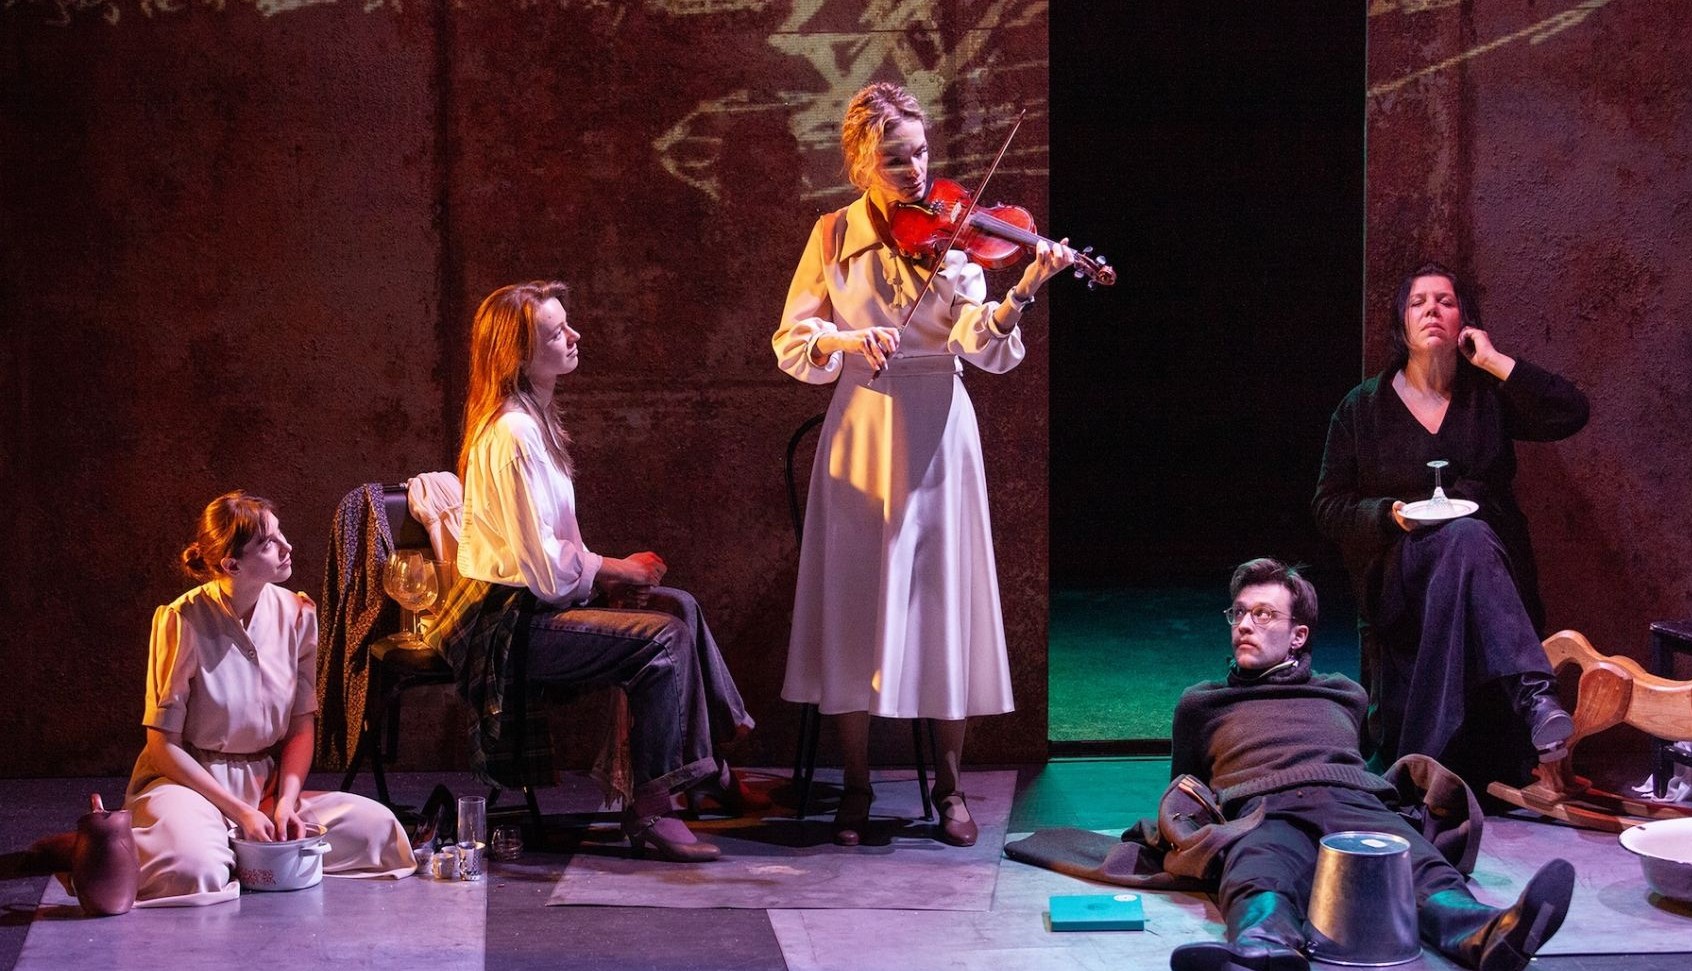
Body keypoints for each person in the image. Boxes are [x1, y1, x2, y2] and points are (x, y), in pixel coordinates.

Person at [772, 81, 1074, 847]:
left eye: (921, 154)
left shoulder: (956, 237)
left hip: (940, 428)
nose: (916, 171)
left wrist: (1022, 290)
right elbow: (792, 341)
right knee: (852, 603)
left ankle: (949, 787)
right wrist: (847, 340)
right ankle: (857, 785)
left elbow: (980, 342)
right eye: (897, 159)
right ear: (860, 164)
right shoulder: (833, 235)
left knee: (942, 602)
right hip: (861, 430)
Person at [432, 280, 754, 864]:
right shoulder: (513, 434)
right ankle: (654, 806)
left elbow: (555, 552)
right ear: (518, 355)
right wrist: (614, 569)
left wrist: (610, 576)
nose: (575, 335)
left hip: (536, 603)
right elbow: (543, 568)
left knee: (678, 605)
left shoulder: (537, 419)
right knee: (663, 640)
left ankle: (710, 765)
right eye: (557, 332)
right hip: (509, 626)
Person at [1167, 558, 1573, 971]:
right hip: (1262, 808)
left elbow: (1354, 757)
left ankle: (1486, 934)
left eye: (1263, 614)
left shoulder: (1343, 693)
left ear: (1298, 635)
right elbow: (1185, 786)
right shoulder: (1203, 704)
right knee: (1257, 866)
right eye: (1238, 613)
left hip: (1351, 799)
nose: (1244, 625)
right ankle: (1263, 948)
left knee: (1409, 858)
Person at [1312, 262, 1589, 789]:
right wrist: (1390, 514)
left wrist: (1494, 361)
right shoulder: (1363, 408)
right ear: (1401, 321)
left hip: (1484, 576)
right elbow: (1328, 507)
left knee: (1469, 536)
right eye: (1418, 302)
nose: (1432, 311)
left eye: (1445, 301)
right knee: (1467, 533)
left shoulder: (1486, 395)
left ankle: (1431, 765)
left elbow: (1571, 412)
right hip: (1402, 577)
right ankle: (1536, 696)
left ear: (1465, 319)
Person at [118, 491, 415, 907]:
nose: (287, 547)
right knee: (193, 871)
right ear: (231, 565)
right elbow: (162, 746)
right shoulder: (182, 620)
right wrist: (241, 813)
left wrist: (285, 805)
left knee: (379, 832)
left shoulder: (297, 614)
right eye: (268, 543)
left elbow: (300, 727)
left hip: (263, 788)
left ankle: (241, 852)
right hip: (189, 784)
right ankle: (209, 846)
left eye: (280, 534)